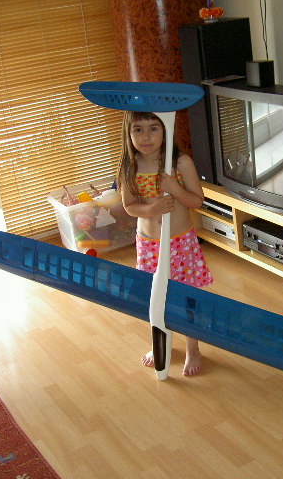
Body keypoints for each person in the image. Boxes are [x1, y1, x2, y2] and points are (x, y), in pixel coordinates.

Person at [117, 110, 214, 376]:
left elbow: (197, 201)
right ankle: (160, 341)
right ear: (128, 133)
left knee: (186, 296)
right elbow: (129, 206)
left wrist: (175, 188)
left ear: (165, 130)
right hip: (149, 244)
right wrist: (153, 208)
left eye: (153, 128)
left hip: (180, 244)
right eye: (138, 130)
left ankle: (193, 348)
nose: (146, 137)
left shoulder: (179, 162)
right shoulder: (129, 165)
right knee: (155, 296)